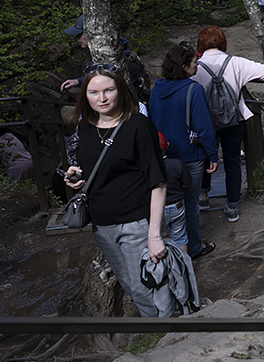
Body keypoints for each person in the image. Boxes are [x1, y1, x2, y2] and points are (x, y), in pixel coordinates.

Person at [63, 69, 178, 317]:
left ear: (120, 92)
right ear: (85, 96)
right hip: (102, 224)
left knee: (149, 282)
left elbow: (158, 182)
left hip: (136, 221)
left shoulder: (138, 125)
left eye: (108, 90)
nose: (102, 98)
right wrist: (76, 179)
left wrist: (154, 234)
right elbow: (95, 170)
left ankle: (168, 332)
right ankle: (156, 328)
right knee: (130, 285)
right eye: (94, 92)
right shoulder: (84, 128)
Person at [192, 26, 264, 224]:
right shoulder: (235, 63)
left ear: (201, 44)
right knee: (232, 162)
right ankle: (233, 206)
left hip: (206, 123)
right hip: (233, 119)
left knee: (204, 158)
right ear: (223, 42)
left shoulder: (195, 66)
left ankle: (202, 197)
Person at [148, 43, 218, 261]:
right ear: (185, 67)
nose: (197, 66)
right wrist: (213, 154)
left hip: (163, 158)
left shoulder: (156, 90)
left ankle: (168, 244)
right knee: (189, 204)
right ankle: (193, 247)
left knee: (165, 203)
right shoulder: (193, 90)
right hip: (190, 156)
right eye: (194, 63)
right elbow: (204, 126)